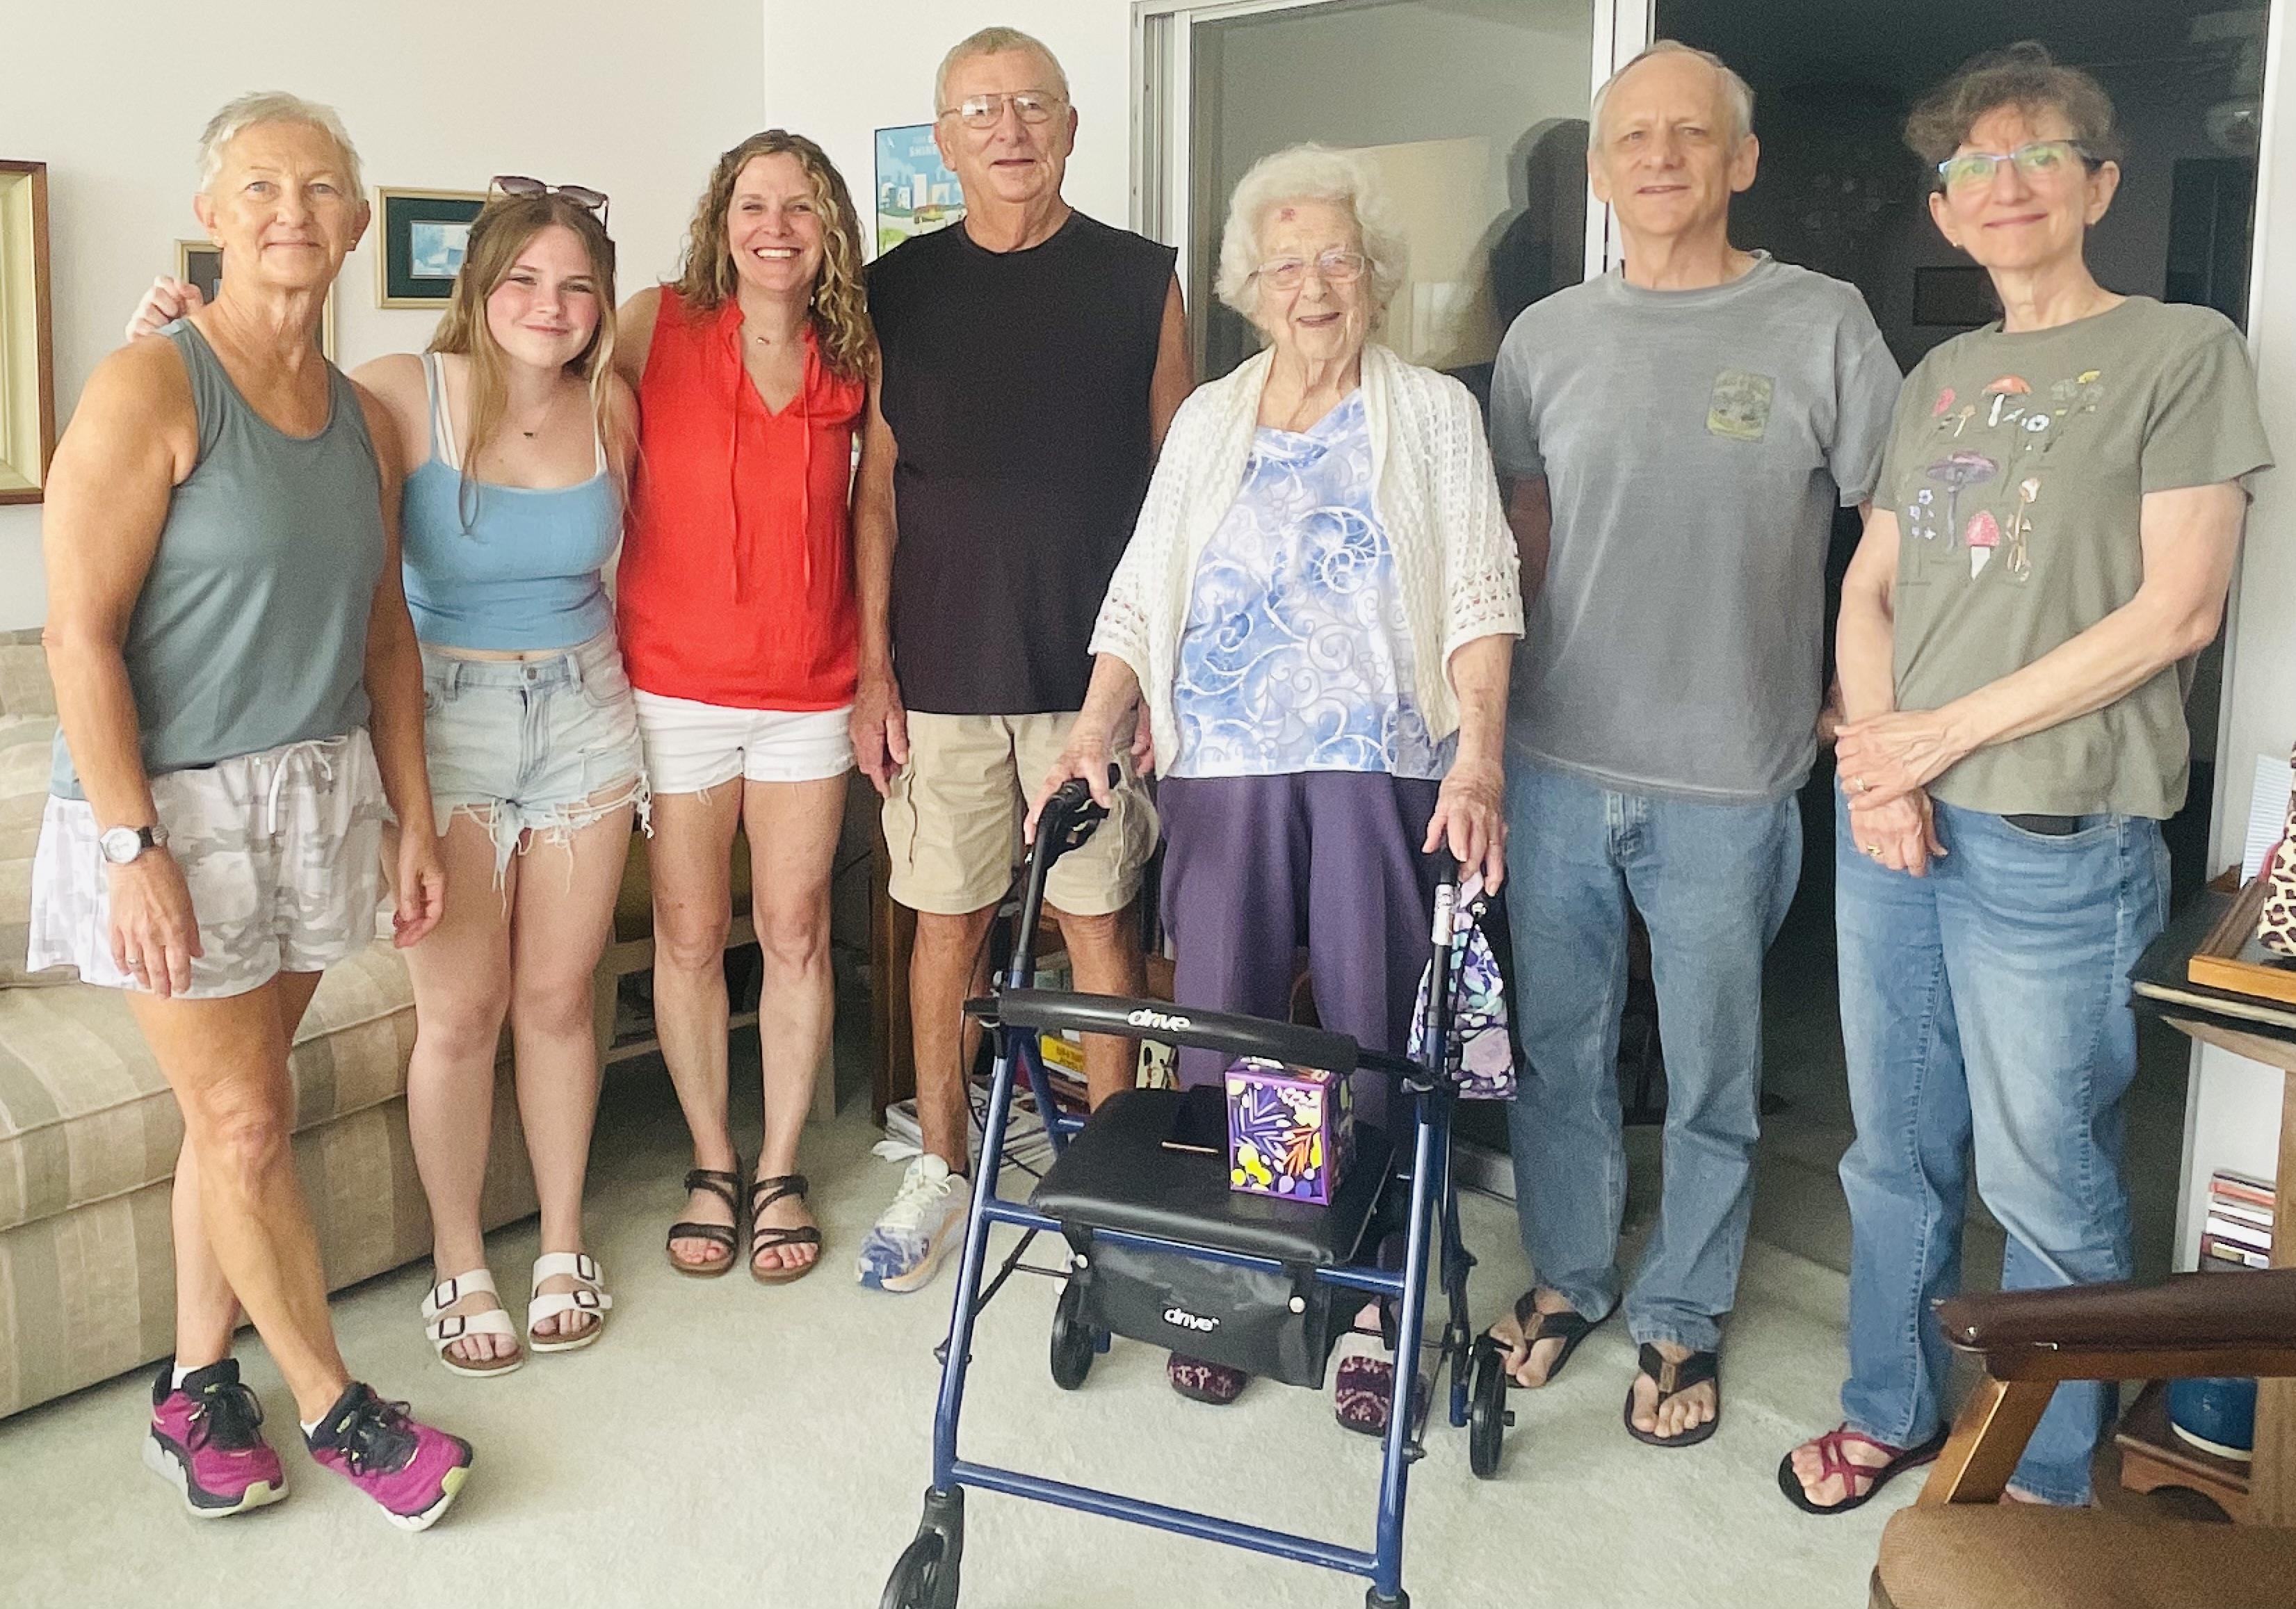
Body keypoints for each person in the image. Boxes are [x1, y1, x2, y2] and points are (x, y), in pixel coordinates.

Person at [1784, 43, 2270, 1513]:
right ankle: (1889, 1404)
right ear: (1942, 209)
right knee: (1894, 1153)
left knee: (2045, 1181)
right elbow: (1867, 588)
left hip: (2056, 838)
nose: (2002, 187)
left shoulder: (2180, 352)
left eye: (2035, 156)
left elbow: (2175, 611)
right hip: (1897, 825)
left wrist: (1936, 739)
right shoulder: (1933, 375)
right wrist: (1879, 766)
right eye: (1971, 168)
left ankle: (2051, 1483)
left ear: (2097, 184)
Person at [32, 92, 471, 1527]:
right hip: (168, 809)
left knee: (236, 1116)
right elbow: (75, 636)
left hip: (313, 789)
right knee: (240, 1118)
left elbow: (384, 637)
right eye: (261, 187)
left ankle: (194, 1380)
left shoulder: (356, 416)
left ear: (354, 220)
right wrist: (129, 844)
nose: (295, 211)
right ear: (213, 215)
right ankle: (341, 1404)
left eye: (322, 188)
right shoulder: (151, 384)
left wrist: (409, 815)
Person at [1037, 143, 1521, 1422]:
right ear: (1251, 286)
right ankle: (1238, 1278)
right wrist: (1097, 722)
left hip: (1380, 766)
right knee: (1229, 1030)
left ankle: (1366, 1300)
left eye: (1338, 259)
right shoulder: (1210, 418)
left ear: (1375, 277)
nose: (1314, 285)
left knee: (1367, 1041)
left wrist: (1477, 753)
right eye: (1287, 262)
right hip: (1225, 768)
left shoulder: (1430, 412)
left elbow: (1480, 589)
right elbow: (1143, 590)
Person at [128, 188, 645, 1373]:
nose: (548, 307)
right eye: (522, 280)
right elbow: (268, 441)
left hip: (586, 713)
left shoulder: (609, 404)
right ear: (479, 284)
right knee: (460, 1013)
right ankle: (460, 1260)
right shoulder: (399, 391)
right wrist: (164, 347)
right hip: (441, 719)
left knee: (563, 1003)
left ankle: (564, 1238)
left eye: (575, 286)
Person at [1485, 41, 1902, 1448]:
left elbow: (1893, 530)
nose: (1657, 158)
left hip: (1731, 774)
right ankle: (1571, 1273)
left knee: (1717, 1065)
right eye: (1629, 140)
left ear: (1741, 159)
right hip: (1552, 761)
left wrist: (1870, 695)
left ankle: (1680, 1308)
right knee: (1558, 1048)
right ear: (1599, 173)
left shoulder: (1819, 321)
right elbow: (1521, 543)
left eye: (1687, 134)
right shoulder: (1545, 338)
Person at [850, 25, 1193, 1293]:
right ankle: (944, 1163)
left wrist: (1152, 668)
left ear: (1069, 127)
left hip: (1089, 680)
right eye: (980, 110)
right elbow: (875, 490)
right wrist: (873, 666)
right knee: (945, 923)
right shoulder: (895, 288)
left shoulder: (1137, 276)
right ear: (944, 140)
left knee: (1097, 920)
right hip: (938, 667)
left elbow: (1177, 490)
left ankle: (1108, 1179)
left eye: (1032, 105)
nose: (1008, 128)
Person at [615, 131, 877, 1284]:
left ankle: (778, 1166)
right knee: (684, 933)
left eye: (802, 208)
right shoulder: (651, 322)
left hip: (810, 693)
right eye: (754, 205)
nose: (775, 227)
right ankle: (711, 1160)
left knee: (795, 928)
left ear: (830, 231)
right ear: (720, 219)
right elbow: (509, 378)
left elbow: (882, 516)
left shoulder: (855, 351)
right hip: (671, 686)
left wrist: (878, 669)